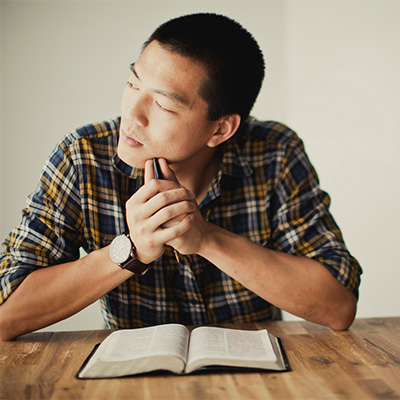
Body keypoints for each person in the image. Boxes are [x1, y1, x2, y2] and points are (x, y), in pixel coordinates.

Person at [0, 13, 361, 341]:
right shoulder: (83, 156)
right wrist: (132, 250)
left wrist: (204, 238)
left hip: (254, 380)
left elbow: (338, 307)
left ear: (221, 129)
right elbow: (6, 313)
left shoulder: (274, 151)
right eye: (132, 84)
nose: (132, 115)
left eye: (163, 105)